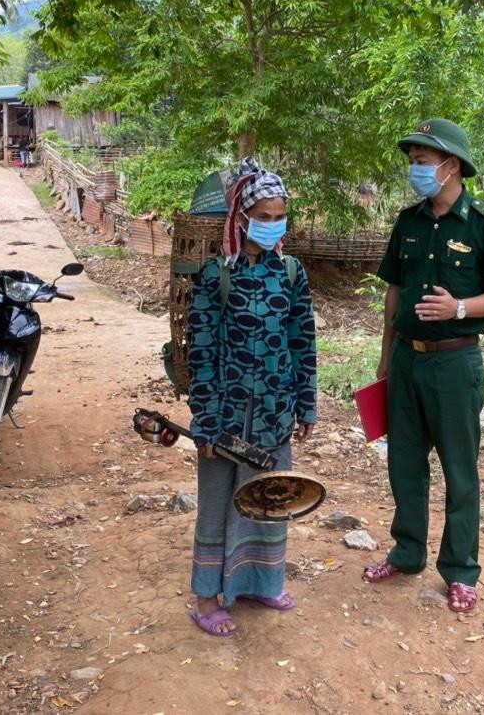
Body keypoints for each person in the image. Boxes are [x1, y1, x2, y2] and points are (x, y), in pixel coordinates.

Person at [363, 119, 484, 613]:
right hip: (407, 361)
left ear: (451, 166)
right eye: (412, 161)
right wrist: (386, 356)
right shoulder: (408, 222)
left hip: (455, 363)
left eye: (422, 162)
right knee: (405, 464)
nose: (415, 169)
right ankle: (406, 553)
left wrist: (458, 308)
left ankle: (460, 569)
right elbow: (394, 290)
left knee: (459, 470)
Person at [185, 158, 318, 636]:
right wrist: (204, 421)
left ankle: (261, 583)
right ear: (241, 218)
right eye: (263, 216)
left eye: (279, 216)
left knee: (270, 499)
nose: (272, 224)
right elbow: (201, 352)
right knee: (218, 503)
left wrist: (306, 404)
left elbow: (303, 342)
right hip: (225, 417)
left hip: (274, 414)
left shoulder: (291, 273)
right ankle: (206, 599)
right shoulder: (217, 275)